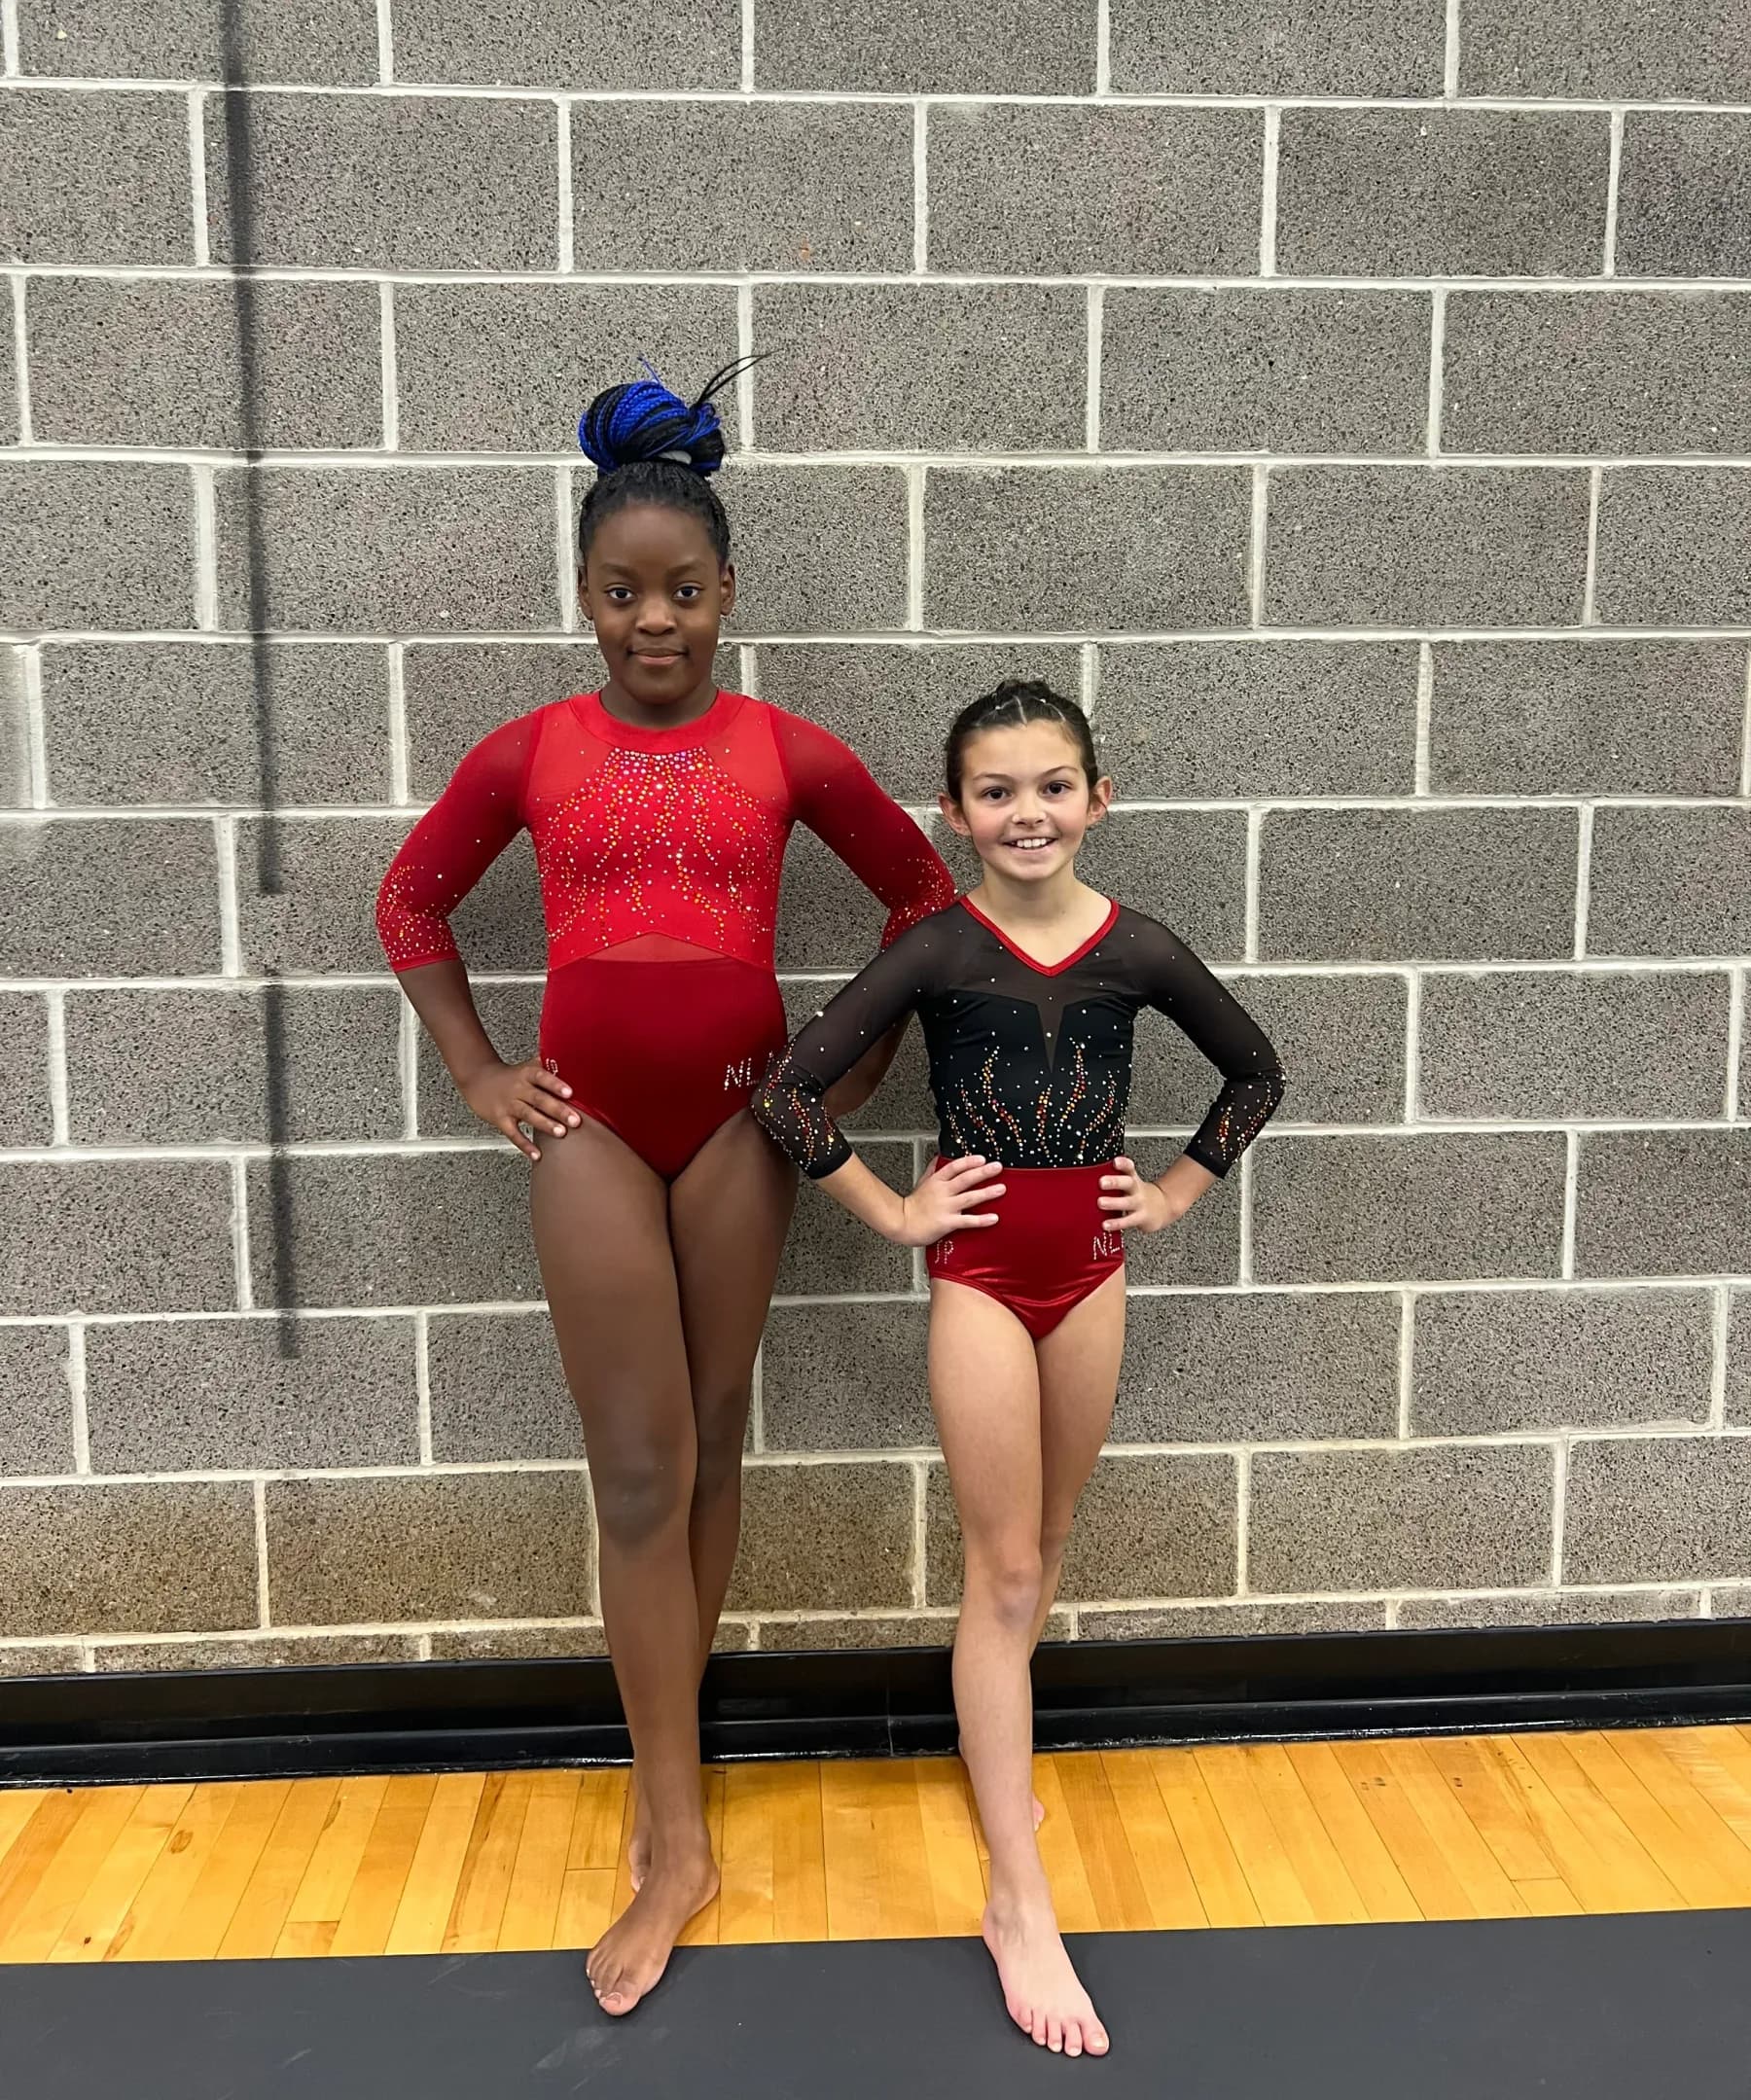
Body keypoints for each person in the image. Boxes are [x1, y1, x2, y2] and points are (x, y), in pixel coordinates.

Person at [375, 364, 953, 2015]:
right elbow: (411, 902)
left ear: (727, 595)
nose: (654, 623)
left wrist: (828, 1090)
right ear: (582, 595)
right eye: (623, 594)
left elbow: (922, 909)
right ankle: (674, 1825)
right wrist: (484, 1075)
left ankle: (671, 1783)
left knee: (713, 1427)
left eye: (683, 594)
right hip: (596, 1137)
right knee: (638, 1465)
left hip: (733, 1128)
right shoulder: (534, 748)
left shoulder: (784, 748)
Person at [755, 677, 1284, 2057]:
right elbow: (786, 1090)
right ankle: (1016, 1888)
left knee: (1043, 1547)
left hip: (1091, 1276)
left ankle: (1003, 1783)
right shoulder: (939, 948)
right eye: (997, 790)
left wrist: (1172, 1195)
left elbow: (1256, 1073)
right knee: (999, 1573)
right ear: (957, 811)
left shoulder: (1140, 947)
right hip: (984, 1282)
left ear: (1097, 800)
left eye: (1054, 785)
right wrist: (895, 1211)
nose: (1028, 811)